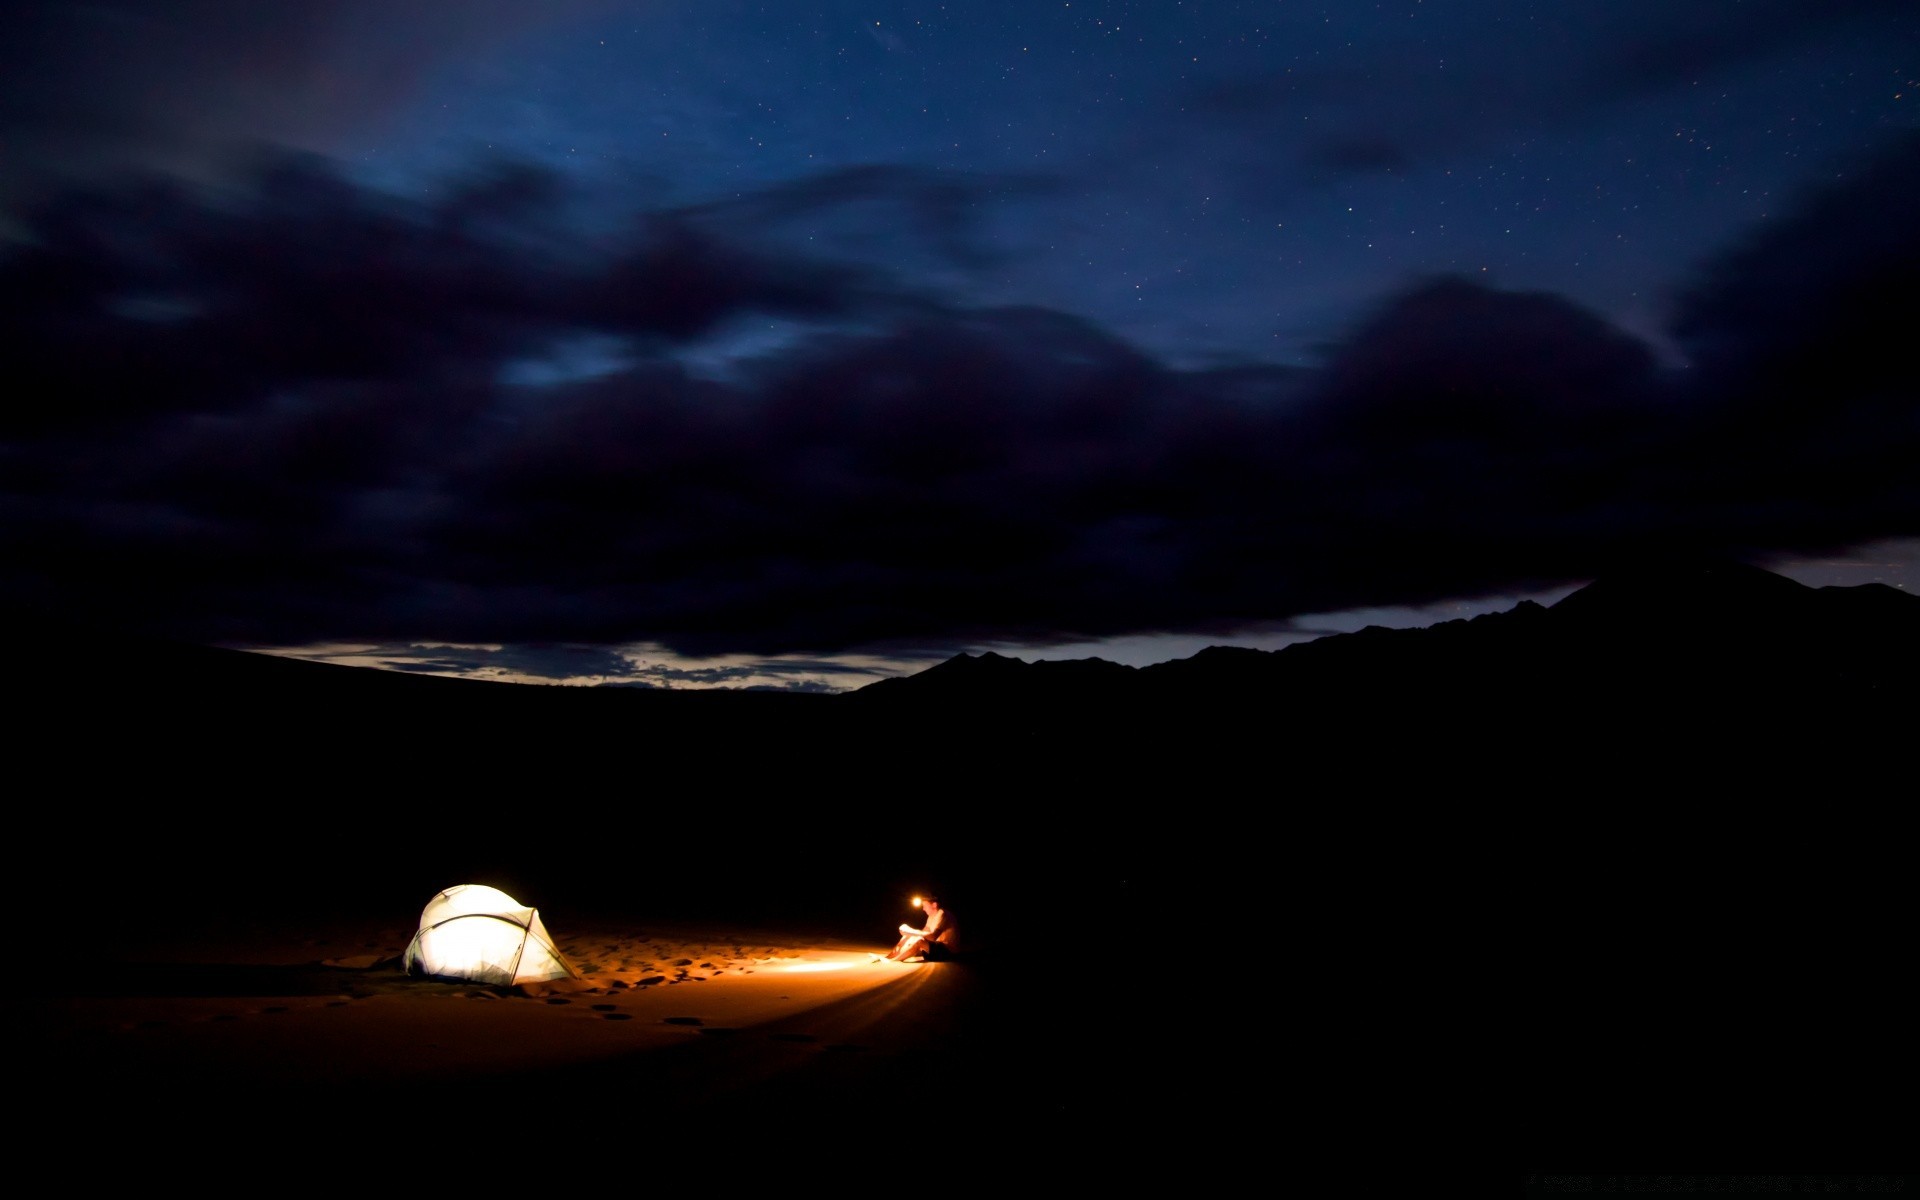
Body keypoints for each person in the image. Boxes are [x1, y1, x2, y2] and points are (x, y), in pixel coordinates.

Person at [881, 893, 958, 962]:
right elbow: (923, 932)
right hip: (933, 951)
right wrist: (908, 933)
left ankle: (894, 960)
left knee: (918, 940)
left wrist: (910, 931)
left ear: (934, 905)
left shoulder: (942, 914)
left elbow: (933, 937)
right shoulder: (931, 917)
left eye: (924, 906)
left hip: (946, 953)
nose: (923, 909)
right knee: (910, 936)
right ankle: (889, 956)